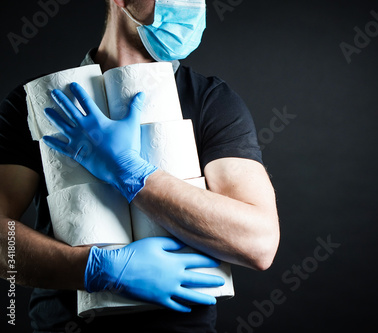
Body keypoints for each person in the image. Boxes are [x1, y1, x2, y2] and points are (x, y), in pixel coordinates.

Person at [0, 0, 280, 332]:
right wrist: (96, 269)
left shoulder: (212, 102)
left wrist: (128, 170)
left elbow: (259, 244)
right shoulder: (39, 102)